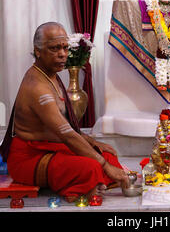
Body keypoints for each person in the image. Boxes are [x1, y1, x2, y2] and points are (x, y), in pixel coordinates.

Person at [0, 22, 129, 201]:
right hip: (28, 159)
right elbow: (67, 134)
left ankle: (93, 181)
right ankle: (85, 186)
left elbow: (66, 130)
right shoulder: (38, 87)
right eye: (54, 48)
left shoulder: (50, 75)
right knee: (92, 167)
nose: (62, 54)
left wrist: (92, 143)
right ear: (37, 51)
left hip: (49, 147)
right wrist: (104, 166)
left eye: (65, 48)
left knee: (107, 154)